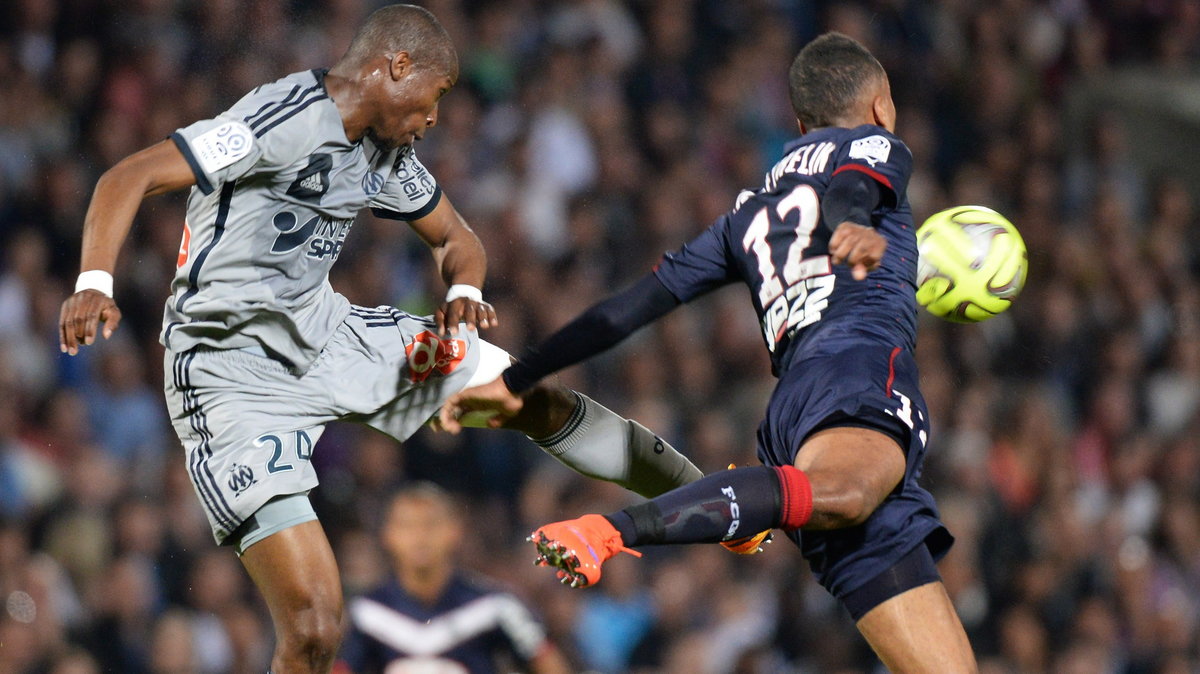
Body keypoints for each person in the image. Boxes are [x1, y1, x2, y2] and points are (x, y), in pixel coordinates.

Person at [56, 6, 705, 672]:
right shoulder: (281, 118)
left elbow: (459, 241)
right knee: (313, 628)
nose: (432, 118)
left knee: (527, 394)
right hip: (230, 375)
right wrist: (95, 281)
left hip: (328, 339)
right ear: (396, 66)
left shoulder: (386, 153)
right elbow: (127, 176)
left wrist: (463, 292)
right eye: (435, 96)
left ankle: (702, 496)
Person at [440, 33, 978, 672]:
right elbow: (852, 187)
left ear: (798, 124)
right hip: (857, 369)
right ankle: (617, 530)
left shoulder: (742, 218)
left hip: (797, 403)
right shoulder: (876, 145)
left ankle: (753, 502)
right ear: (882, 106)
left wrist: (520, 379)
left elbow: (626, 311)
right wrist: (853, 220)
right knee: (848, 492)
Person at [336, 483, 570, 674]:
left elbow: (547, 662)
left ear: (454, 530)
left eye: (430, 524)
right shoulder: (365, 613)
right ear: (388, 535)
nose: (419, 537)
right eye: (407, 525)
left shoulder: (498, 606)